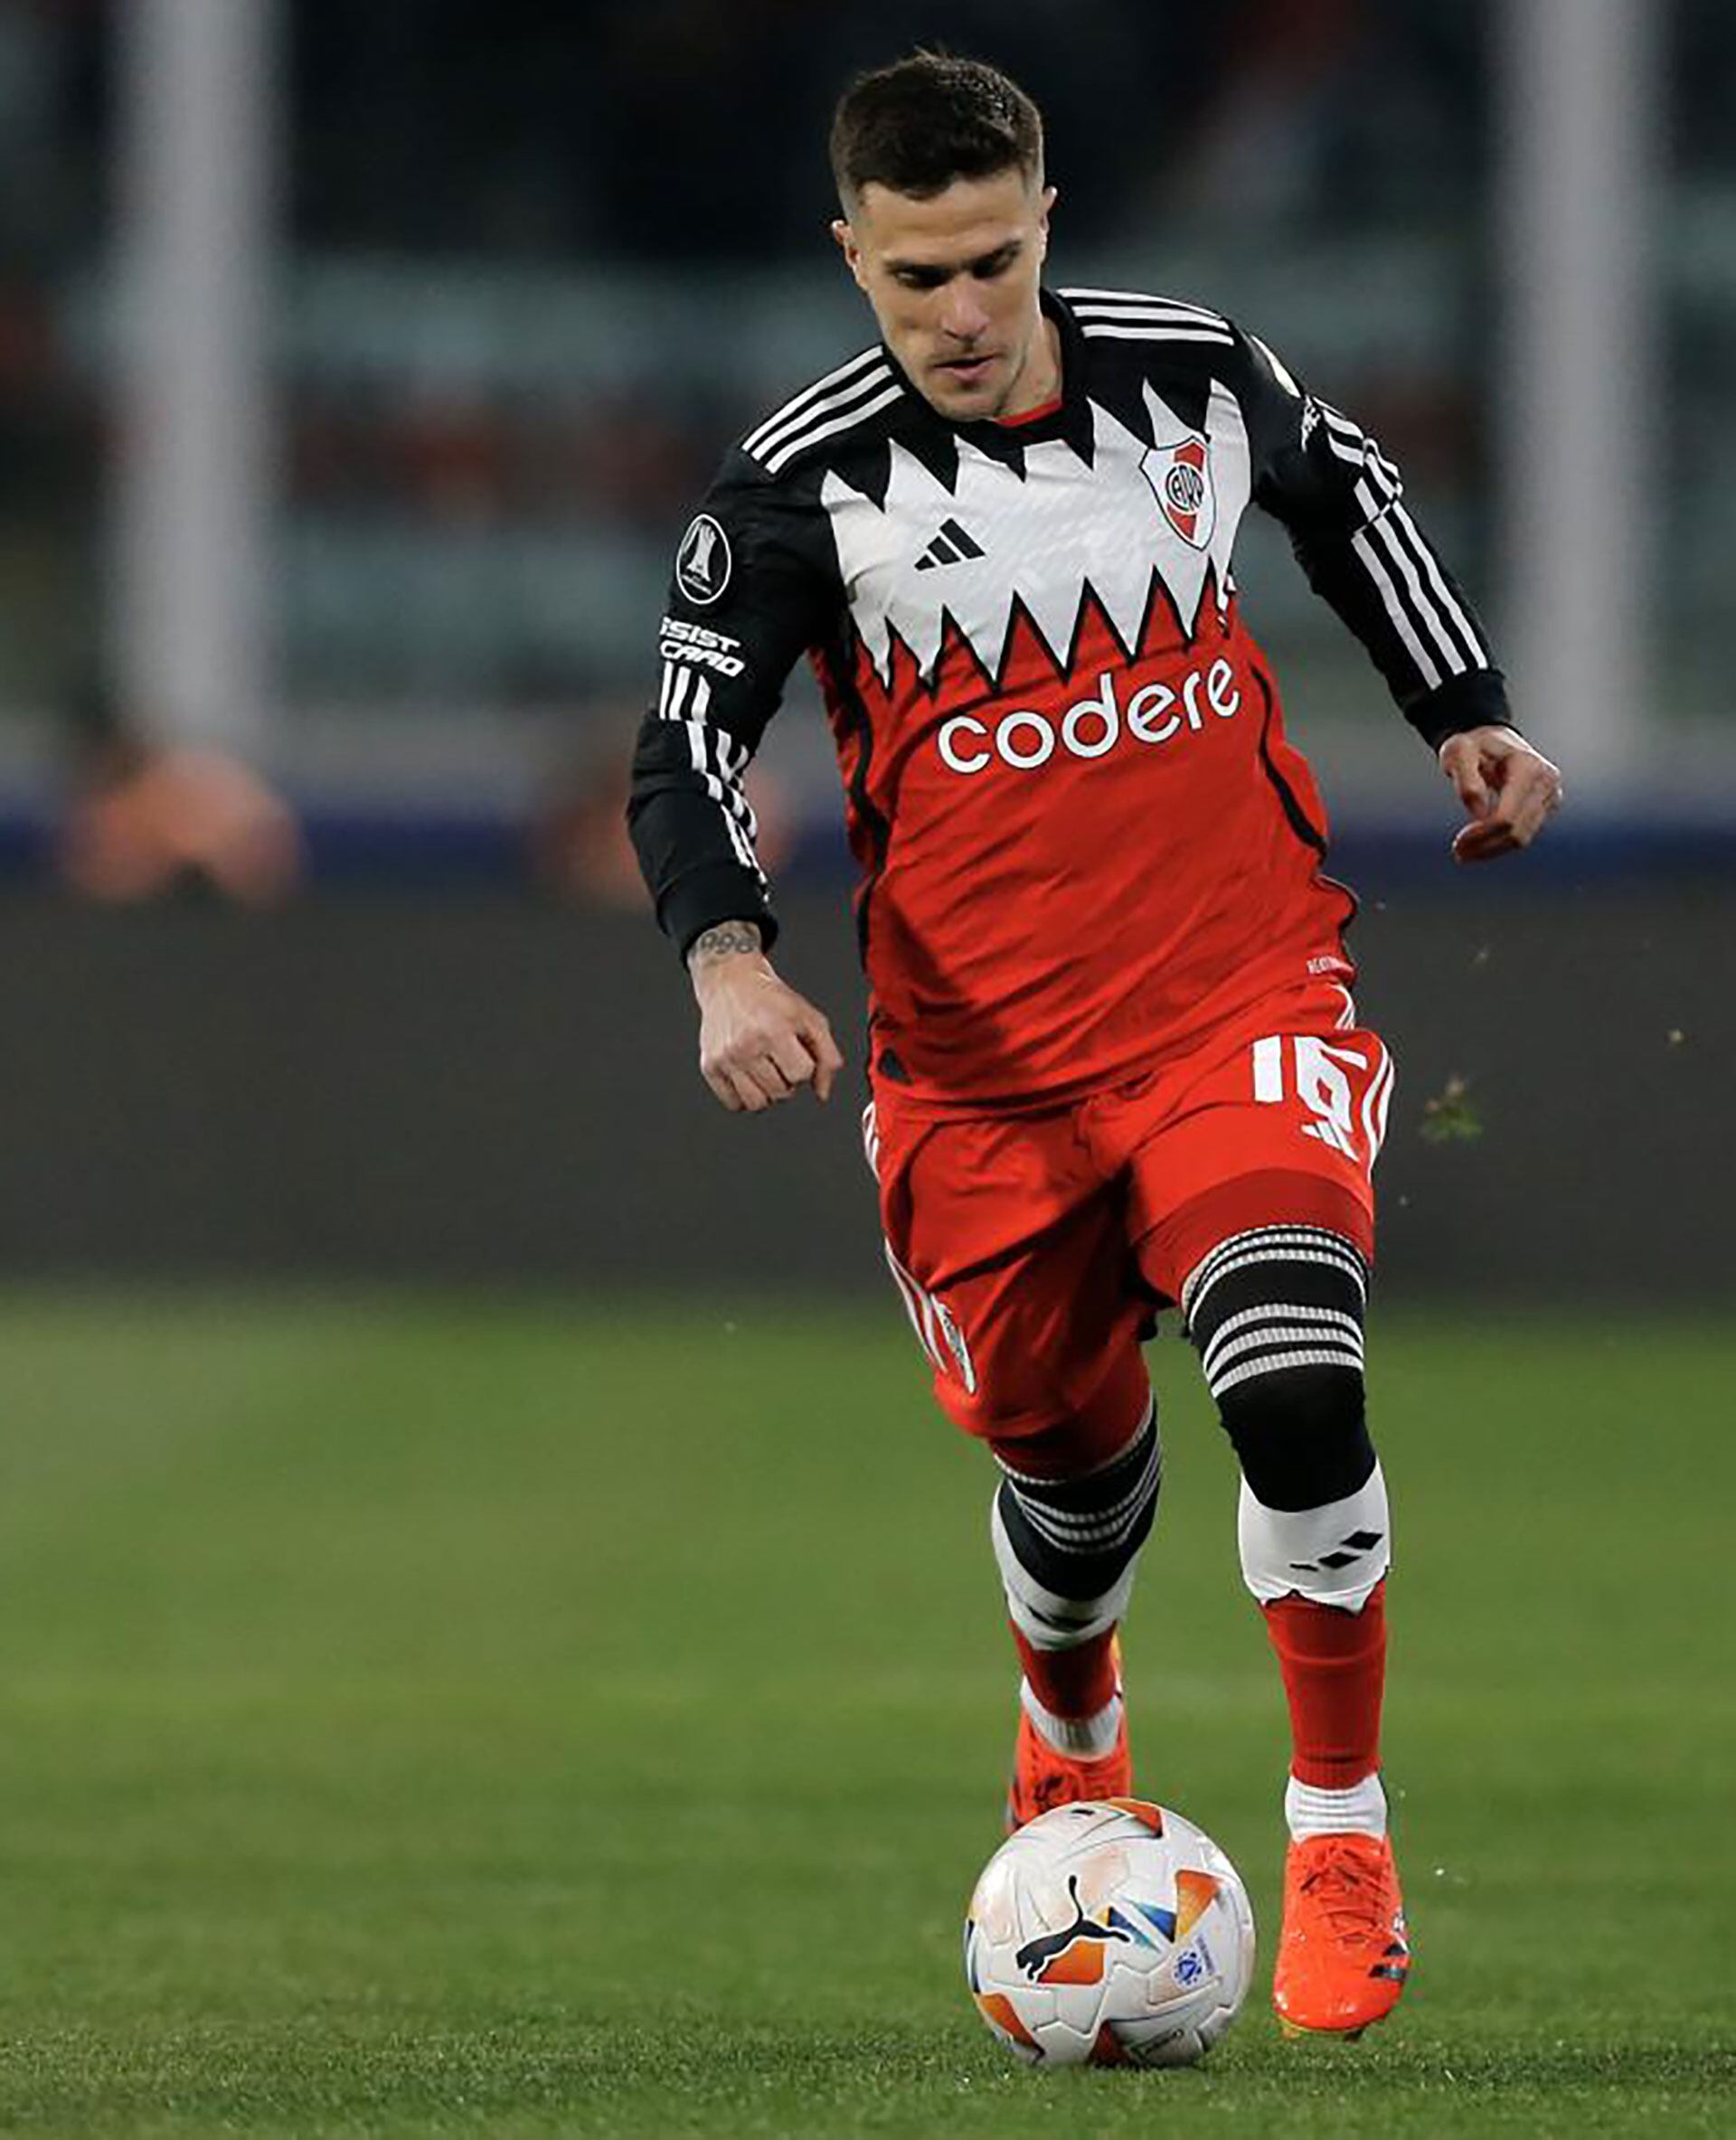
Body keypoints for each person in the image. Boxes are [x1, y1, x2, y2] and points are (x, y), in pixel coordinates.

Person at [627, 51, 1561, 2040]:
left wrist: (1464, 708)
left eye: (988, 261)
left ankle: (1339, 1823)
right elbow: (685, 741)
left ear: (1043, 219)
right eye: (912, 280)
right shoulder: (796, 483)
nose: (959, 315)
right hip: (980, 1082)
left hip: (1239, 996)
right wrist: (726, 958)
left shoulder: (1191, 370)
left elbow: (1348, 495)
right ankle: (1070, 1701)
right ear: (849, 256)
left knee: (1296, 1369)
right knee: (1074, 1484)